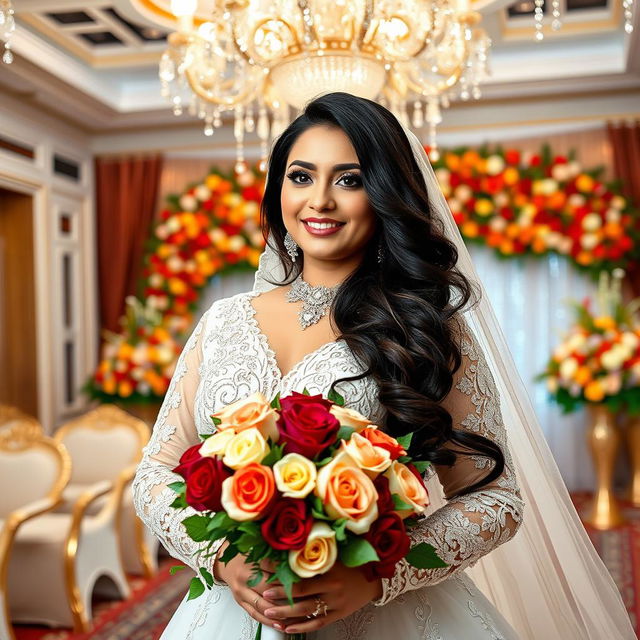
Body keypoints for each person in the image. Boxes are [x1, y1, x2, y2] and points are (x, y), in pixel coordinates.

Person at [132, 92, 635, 639]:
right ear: (278, 188)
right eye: (301, 176)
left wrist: (376, 576)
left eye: (349, 180)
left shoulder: (425, 326)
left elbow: (496, 499)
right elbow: (154, 474)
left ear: (385, 194)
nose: (319, 200)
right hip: (235, 608)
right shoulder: (222, 321)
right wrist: (223, 555)